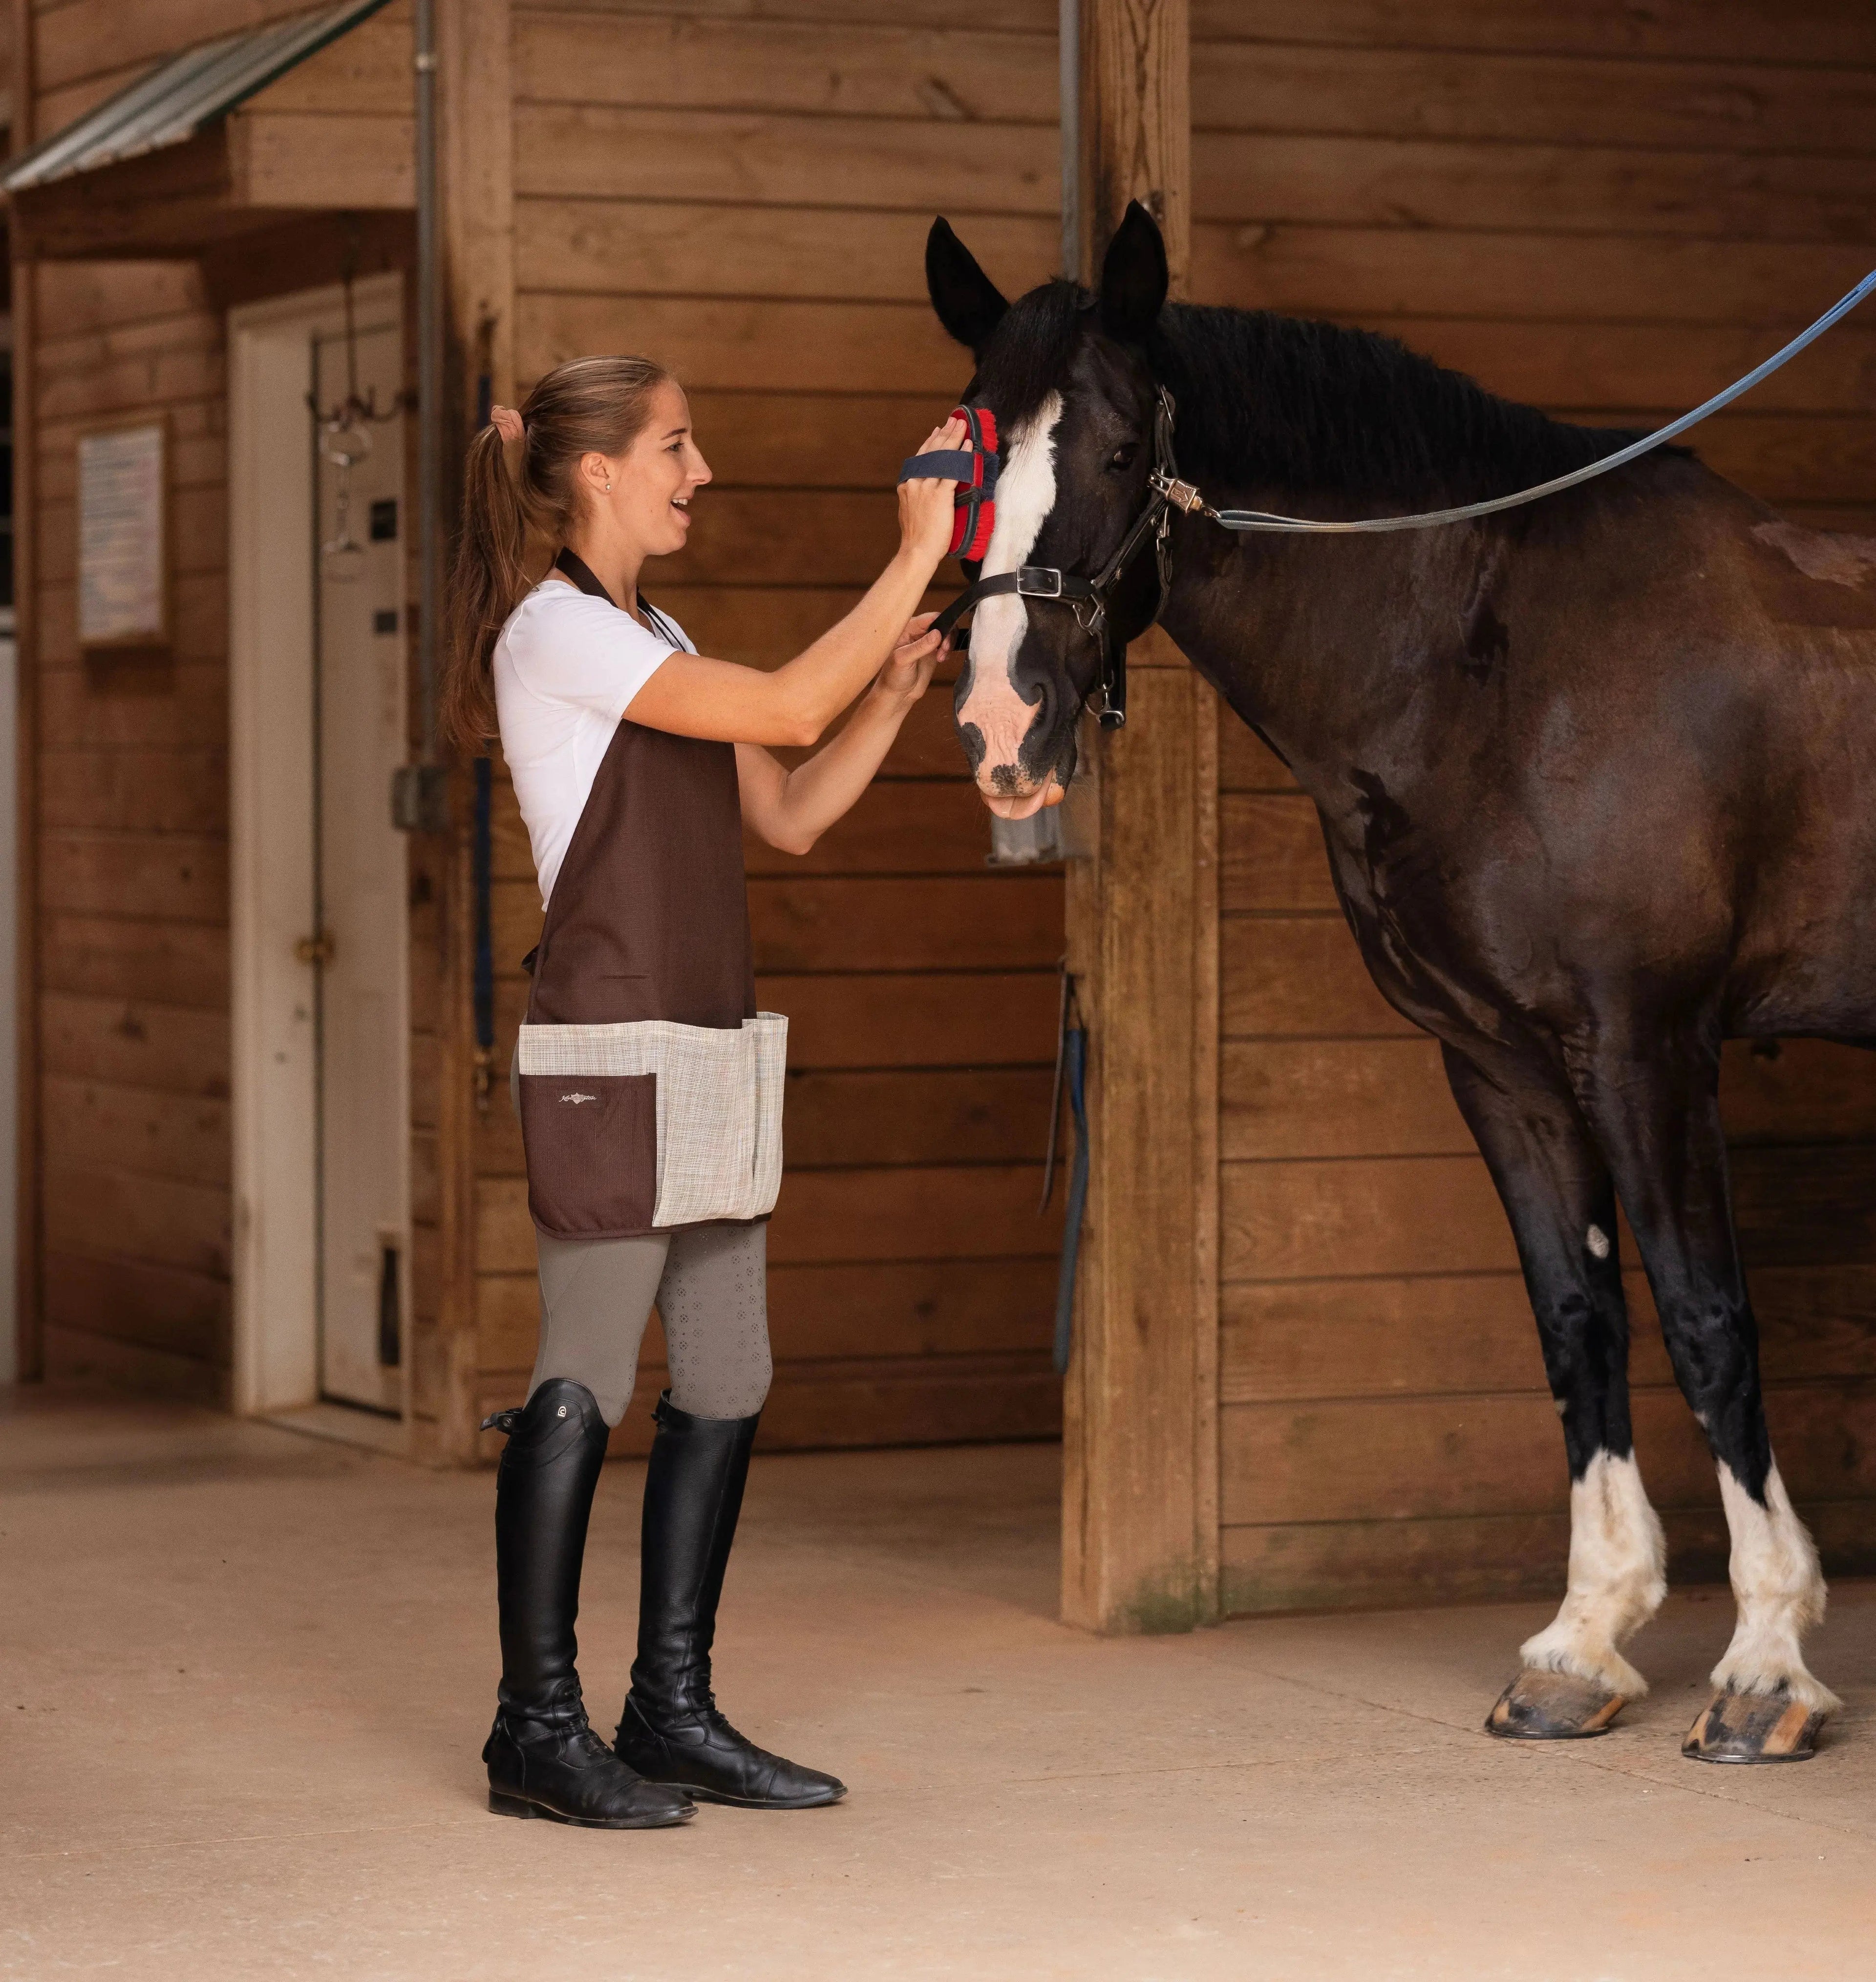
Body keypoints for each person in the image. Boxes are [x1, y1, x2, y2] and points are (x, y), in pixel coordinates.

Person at [444, 356, 964, 1830]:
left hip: (709, 1048)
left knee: (728, 1381)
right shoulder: (555, 634)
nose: (702, 471)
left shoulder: (652, 633)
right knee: (583, 1383)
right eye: (677, 445)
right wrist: (914, 552)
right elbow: (789, 708)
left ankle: (669, 1712)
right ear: (598, 469)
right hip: (614, 1055)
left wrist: (891, 697)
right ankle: (534, 1731)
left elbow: (787, 809)